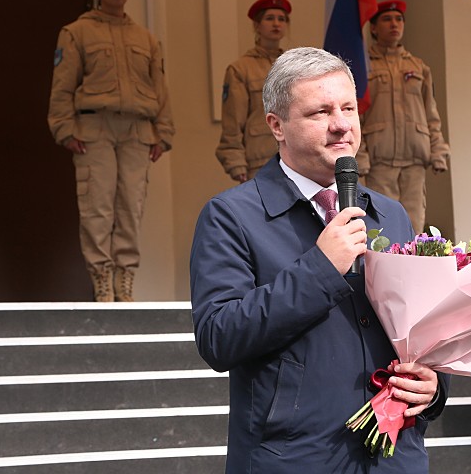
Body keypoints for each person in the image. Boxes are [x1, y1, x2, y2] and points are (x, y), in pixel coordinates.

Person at [191, 47, 449, 472]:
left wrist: (434, 387)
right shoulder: (231, 216)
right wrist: (320, 269)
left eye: (349, 107)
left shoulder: (392, 214)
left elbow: (424, 331)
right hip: (294, 458)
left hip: (394, 457)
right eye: (320, 112)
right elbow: (220, 337)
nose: (341, 124)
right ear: (277, 125)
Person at [48, 0, 174, 302]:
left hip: (137, 131)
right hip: (95, 129)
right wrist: (63, 129)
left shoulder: (144, 38)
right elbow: (62, 87)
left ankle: (125, 280)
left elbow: (159, 88)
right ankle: (102, 280)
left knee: (130, 207)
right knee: (98, 206)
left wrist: (163, 133)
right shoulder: (77, 32)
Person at [357, 0, 451, 234]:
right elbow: (356, 113)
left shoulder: (418, 67)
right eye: (387, 20)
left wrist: (438, 151)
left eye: (399, 19)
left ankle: (414, 270)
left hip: (414, 160)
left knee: (415, 226)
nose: (394, 24)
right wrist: (360, 156)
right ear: (374, 28)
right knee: (382, 226)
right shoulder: (363, 66)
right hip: (381, 161)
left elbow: (431, 113)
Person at [215, 0, 291, 183]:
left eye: (281, 19)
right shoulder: (241, 69)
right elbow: (233, 120)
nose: (276, 24)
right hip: (259, 160)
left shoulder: (293, 66)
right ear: (257, 26)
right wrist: (235, 161)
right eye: (269, 18)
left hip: (295, 157)